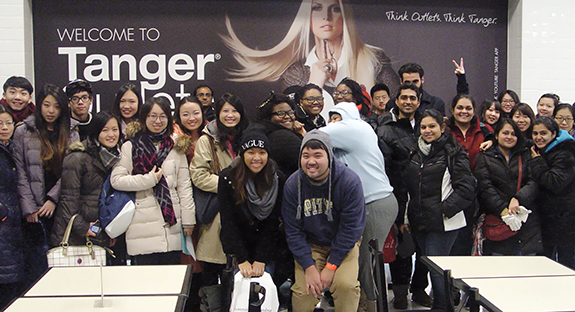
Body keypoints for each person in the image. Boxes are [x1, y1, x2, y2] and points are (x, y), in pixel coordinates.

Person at [222, 0, 400, 100]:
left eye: (335, 9)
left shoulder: (374, 59)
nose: (326, 16)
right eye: (317, 8)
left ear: (345, 16)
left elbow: (395, 105)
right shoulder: (296, 72)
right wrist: (315, 83)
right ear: (308, 17)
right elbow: (291, 116)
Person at [323, 102, 398, 312]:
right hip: (371, 203)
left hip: (375, 202)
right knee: (362, 259)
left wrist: (299, 128)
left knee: (366, 261)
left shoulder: (356, 127)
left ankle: (370, 305)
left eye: (337, 117)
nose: (333, 122)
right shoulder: (353, 135)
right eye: (331, 118)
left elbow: (315, 136)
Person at [282, 129, 366, 311]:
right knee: (303, 292)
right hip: (311, 245)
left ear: (329, 156)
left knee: (346, 286)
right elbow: (292, 231)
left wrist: (331, 266)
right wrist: (309, 267)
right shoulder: (292, 185)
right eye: (306, 155)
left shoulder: (349, 182)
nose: (311, 161)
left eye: (317, 155)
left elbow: (351, 229)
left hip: (343, 244)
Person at [110, 96, 195, 265]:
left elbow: (184, 187)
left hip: (171, 226)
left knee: (171, 284)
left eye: (162, 116)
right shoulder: (130, 146)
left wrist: (189, 220)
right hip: (141, 226)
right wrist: (149, 179)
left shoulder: (176, 146)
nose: (158, 121)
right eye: (152, 116)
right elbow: (117, 180)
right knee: (146, 286)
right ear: (144, 118)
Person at [404, 109, 476, 309]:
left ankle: (443, 308)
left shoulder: (454, 152)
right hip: (419, 222)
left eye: (432, 126)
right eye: (423, 127)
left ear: (442, 128)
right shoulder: (416, 153)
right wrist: (408, 218)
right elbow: (410, 188)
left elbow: (466, 189)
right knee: (429, 265)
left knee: (437, 271)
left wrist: (443, 210)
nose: (427, 131)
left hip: (444, 223)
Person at [13, 84, 78, 288]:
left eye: (56, 106)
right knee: (37, 267)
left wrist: (52, 199)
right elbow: (20, 172)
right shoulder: (23, 131)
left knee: (62, 262)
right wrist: (29, 208)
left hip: (61, 205)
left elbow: (71, 169)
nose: (51, 111)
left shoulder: (71, 131)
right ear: (38, 105)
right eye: (46, 105)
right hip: (33, 210)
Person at [374, 82, 431, 309]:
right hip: (397, 193)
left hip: (426, 195)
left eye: (413, 98)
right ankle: (399, 291)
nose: (408, 101)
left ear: (418, 102)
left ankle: (419, 289)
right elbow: (384, 166)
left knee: (425, 245)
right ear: (396, 101)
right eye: (403, 97)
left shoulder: (426, 125)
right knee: (402, 244)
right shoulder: (385, 128)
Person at [190, 93, 249, 284]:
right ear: (217, 113)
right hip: (218, 213)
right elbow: (199, 175)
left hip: (246, 211)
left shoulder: (248, 138)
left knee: (244, 271)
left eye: (234, 111)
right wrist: (230, 186)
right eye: (225, 111)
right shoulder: (206, 141)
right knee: (214, 272)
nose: (230, 115)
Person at [219, 126, 287, 279]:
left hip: (267, 248)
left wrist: (261, 258)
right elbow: (228, 221)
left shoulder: (278, 179)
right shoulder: (228, 178)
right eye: (251, 152)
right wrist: (241, 259)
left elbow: (274, 222)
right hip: (238, 248)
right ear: (242, 155)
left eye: (262, 153)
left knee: (264, 289)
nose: (256, 158)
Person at [50, 111, 121, 249]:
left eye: (115, 129)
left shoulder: (116, 159)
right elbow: (68, 200)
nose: (111, 135)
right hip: (74, 235)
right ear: (95, 132)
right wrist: (82, 227)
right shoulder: (77, 158)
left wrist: (109, 231)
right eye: (105, 130)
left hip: (97, 231)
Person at [474, 119, 542, 256]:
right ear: (497, 135)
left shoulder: (526, 153)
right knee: (499, 269)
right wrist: (503, 210)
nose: (509, 137)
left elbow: (533, 181)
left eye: (513, 134)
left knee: (526, 269)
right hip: (498, 220)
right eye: (505, 133)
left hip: (526, 221)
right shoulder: (485, 156)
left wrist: (518, 199)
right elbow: (484, 187)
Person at [528, 117, 575, 269]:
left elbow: (555, 182)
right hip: (548, 218)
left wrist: (537, 162)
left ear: (553, 134)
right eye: (535, 133)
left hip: (564, 219)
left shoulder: (565, 152)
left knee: (564, 264)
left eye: (543, 133)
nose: (538, 137)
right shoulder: (541, 149)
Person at [0, 105, 24, 310]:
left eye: (8, 123)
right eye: (0, 123)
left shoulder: (11, 147)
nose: (4, 127)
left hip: (13, 223)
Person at [256, 92, 305, 176]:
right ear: (269, 117)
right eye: (280, 113)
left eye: (290, 112)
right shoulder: (284, 137)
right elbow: (307, 162)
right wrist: (303, 134)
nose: (287, 116)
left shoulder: (267, 132)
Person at [174, 96, 206, 163]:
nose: (191, 118)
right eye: (185, 115)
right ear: (179, 116)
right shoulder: (173, 136)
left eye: (196, 113)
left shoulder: (212, 132)